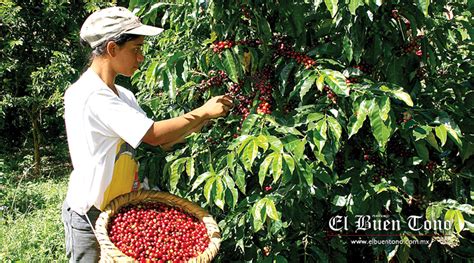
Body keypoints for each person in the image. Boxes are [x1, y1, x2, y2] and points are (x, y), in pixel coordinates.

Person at [61, 6, 233, 262]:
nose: (140, 58)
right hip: (90, 213)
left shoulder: (123, 95)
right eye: (136, 49)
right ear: (112, 48)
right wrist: (203, 112)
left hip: (121, 208)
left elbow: (160, 141)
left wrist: (202, 123)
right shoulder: (90, 95)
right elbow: (154, 134)